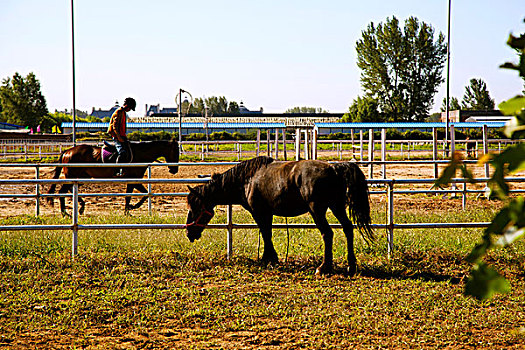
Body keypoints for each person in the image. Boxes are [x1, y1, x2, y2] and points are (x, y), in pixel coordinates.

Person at [107, 97, 136, 176]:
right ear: (127, 106)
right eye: (130, 108)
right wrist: (119, 138)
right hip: (116, 137)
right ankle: (116, 171)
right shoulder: (118, 112)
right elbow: (115, 127)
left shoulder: (123, 113)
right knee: (122, 153)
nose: (130, 110)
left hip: (122, 136)